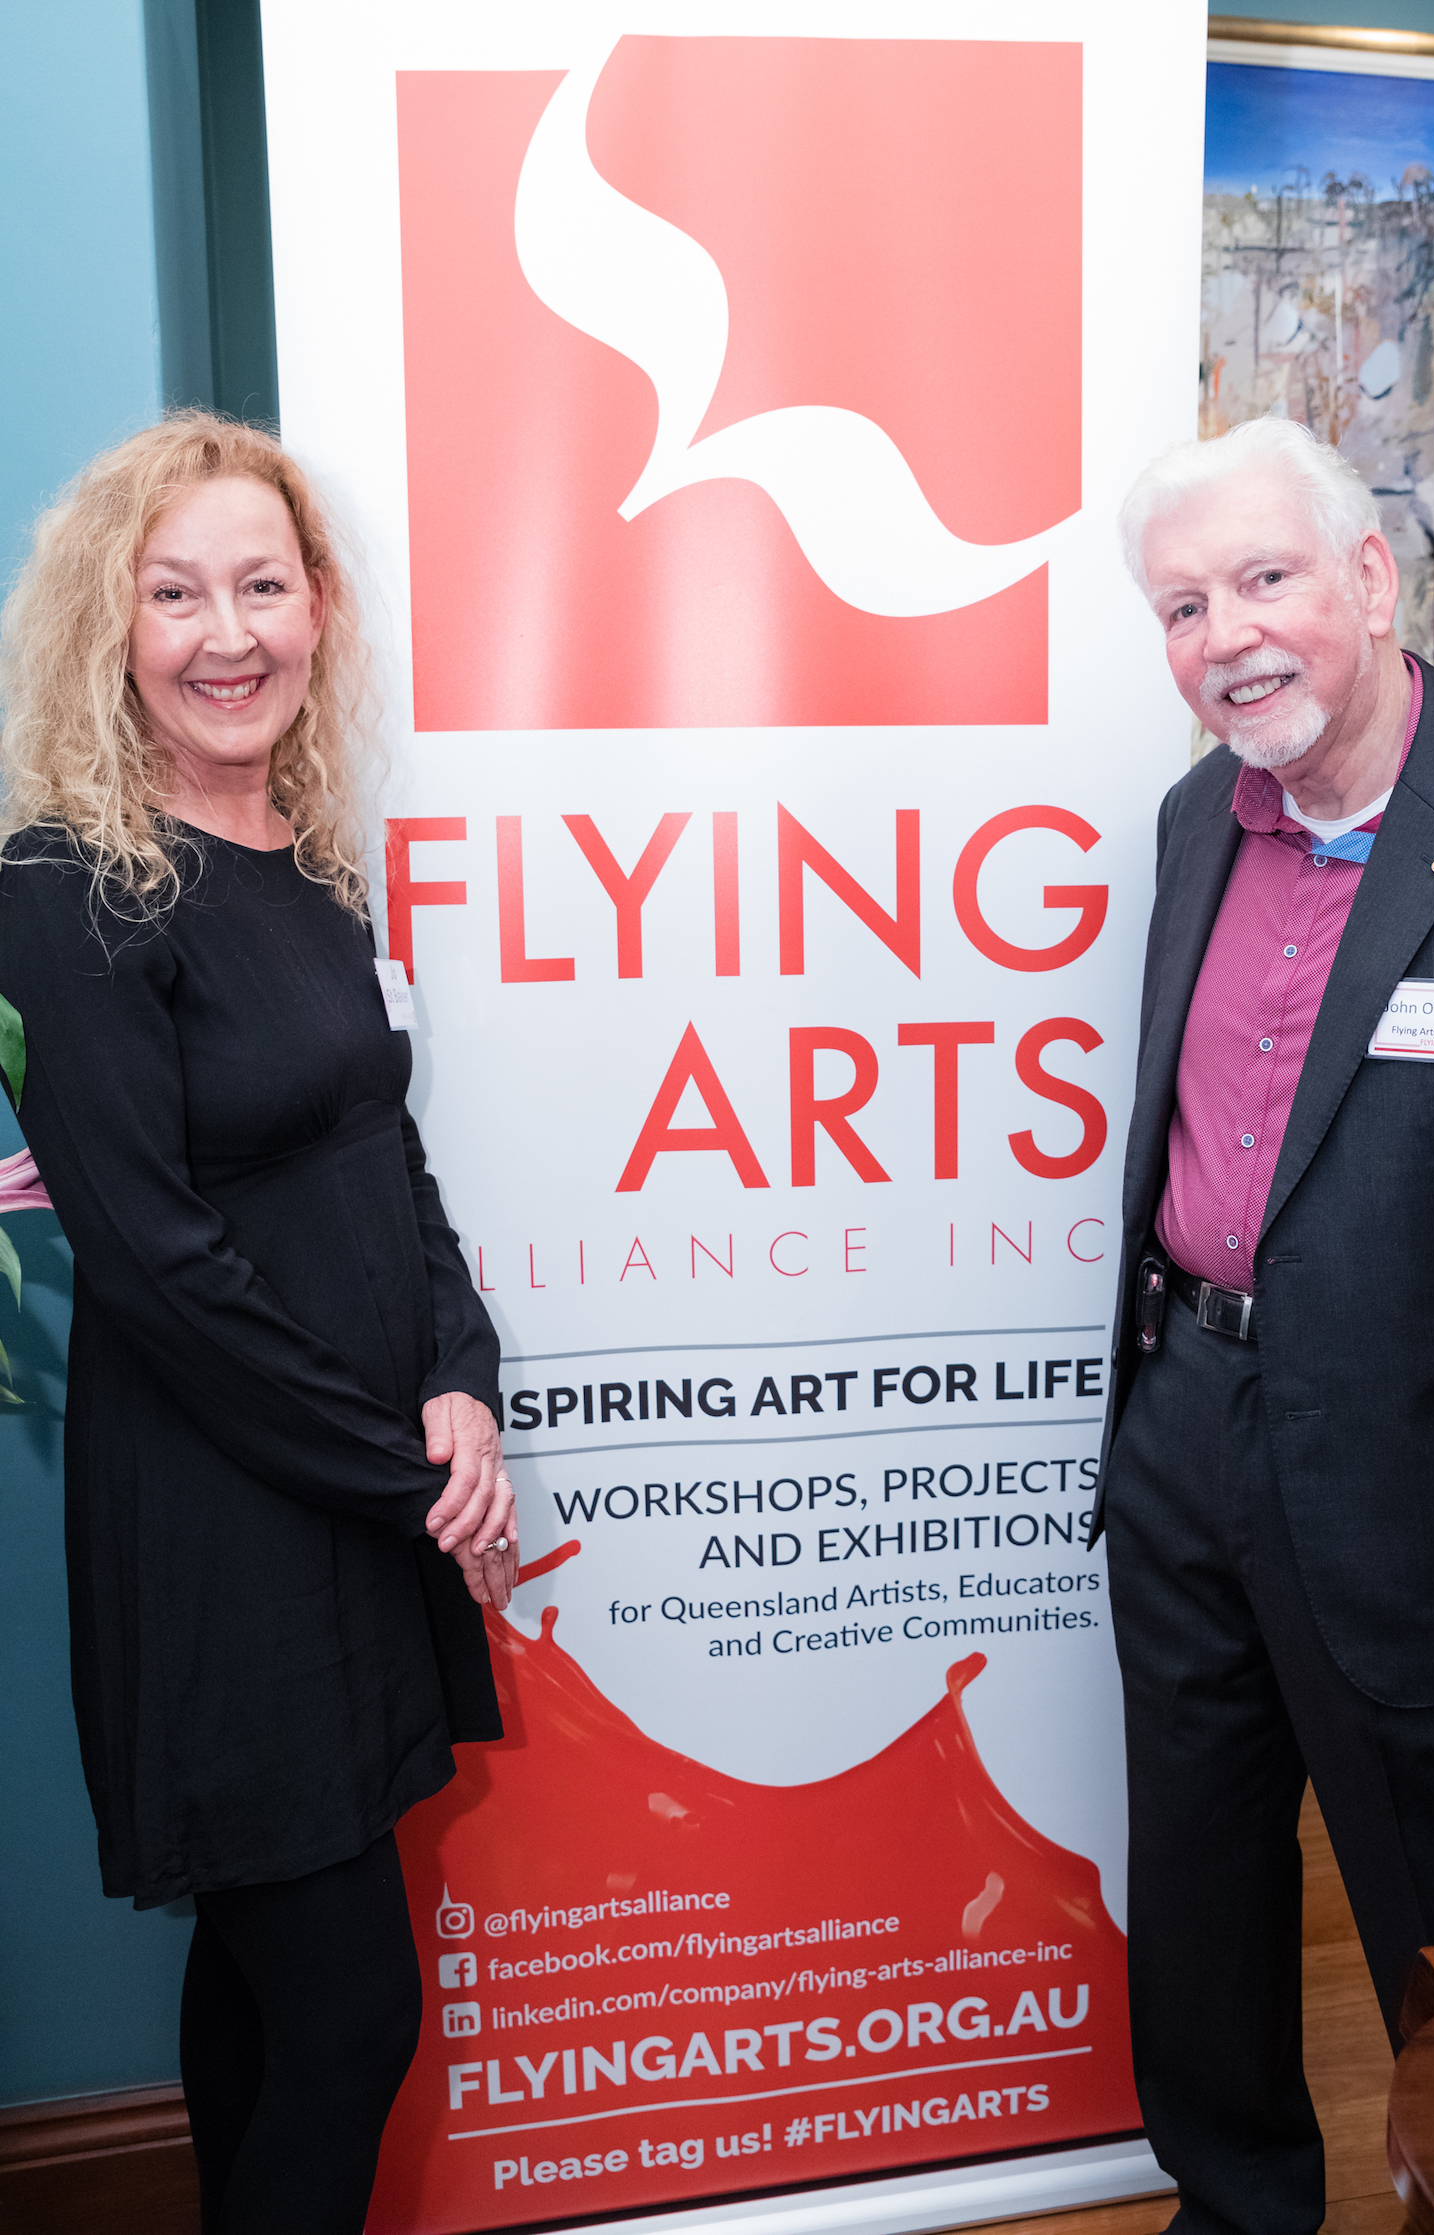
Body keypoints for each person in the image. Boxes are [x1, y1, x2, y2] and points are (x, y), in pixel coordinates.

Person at [0, 413, 518, 2235]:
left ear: (318, 610)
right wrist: (403, 1471)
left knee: (260, 1977)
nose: (228, 635)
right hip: (225, 1527)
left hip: (354, 1493)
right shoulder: (65, 883)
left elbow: (386, 1145)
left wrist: (463, 1379)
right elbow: (158, 1266)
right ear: (111, 624)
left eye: (263, 587)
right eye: (176, 595)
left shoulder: (303, 850)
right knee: (350, 2011)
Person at [1096, 414, 1434, 2234]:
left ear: (1369, 576)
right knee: (1200, 1886)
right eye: (1184, 608)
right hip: (1187, 1423)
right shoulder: (1198, 817)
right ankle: (1235, 2208)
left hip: (1431, 1471)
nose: (1228, 638)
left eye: (1263, 580)